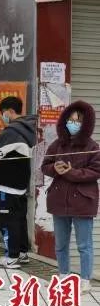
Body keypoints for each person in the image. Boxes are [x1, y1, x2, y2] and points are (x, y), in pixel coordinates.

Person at [42, 101, 100, 294]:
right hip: (59, 200)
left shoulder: (92, 146)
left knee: (84, 245)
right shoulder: (58, 144)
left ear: (86, 123)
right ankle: (63, 276)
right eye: (70, 120)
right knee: (61, 243)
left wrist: (70, 172)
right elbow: (45, 165)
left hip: (83, 201)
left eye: (77, 121)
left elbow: (95, 171)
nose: (73, 124)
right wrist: (55, 168)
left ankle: (85, 280)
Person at [0, 96, 37, 269]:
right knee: (20, 218)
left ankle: (11, 256)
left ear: (10, 111)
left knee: (7, 220)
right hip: (20, 183)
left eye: (3, 113)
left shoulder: (11, 132)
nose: (2, 116)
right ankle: (21, 253)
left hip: (8, 184)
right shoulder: (28, 128)